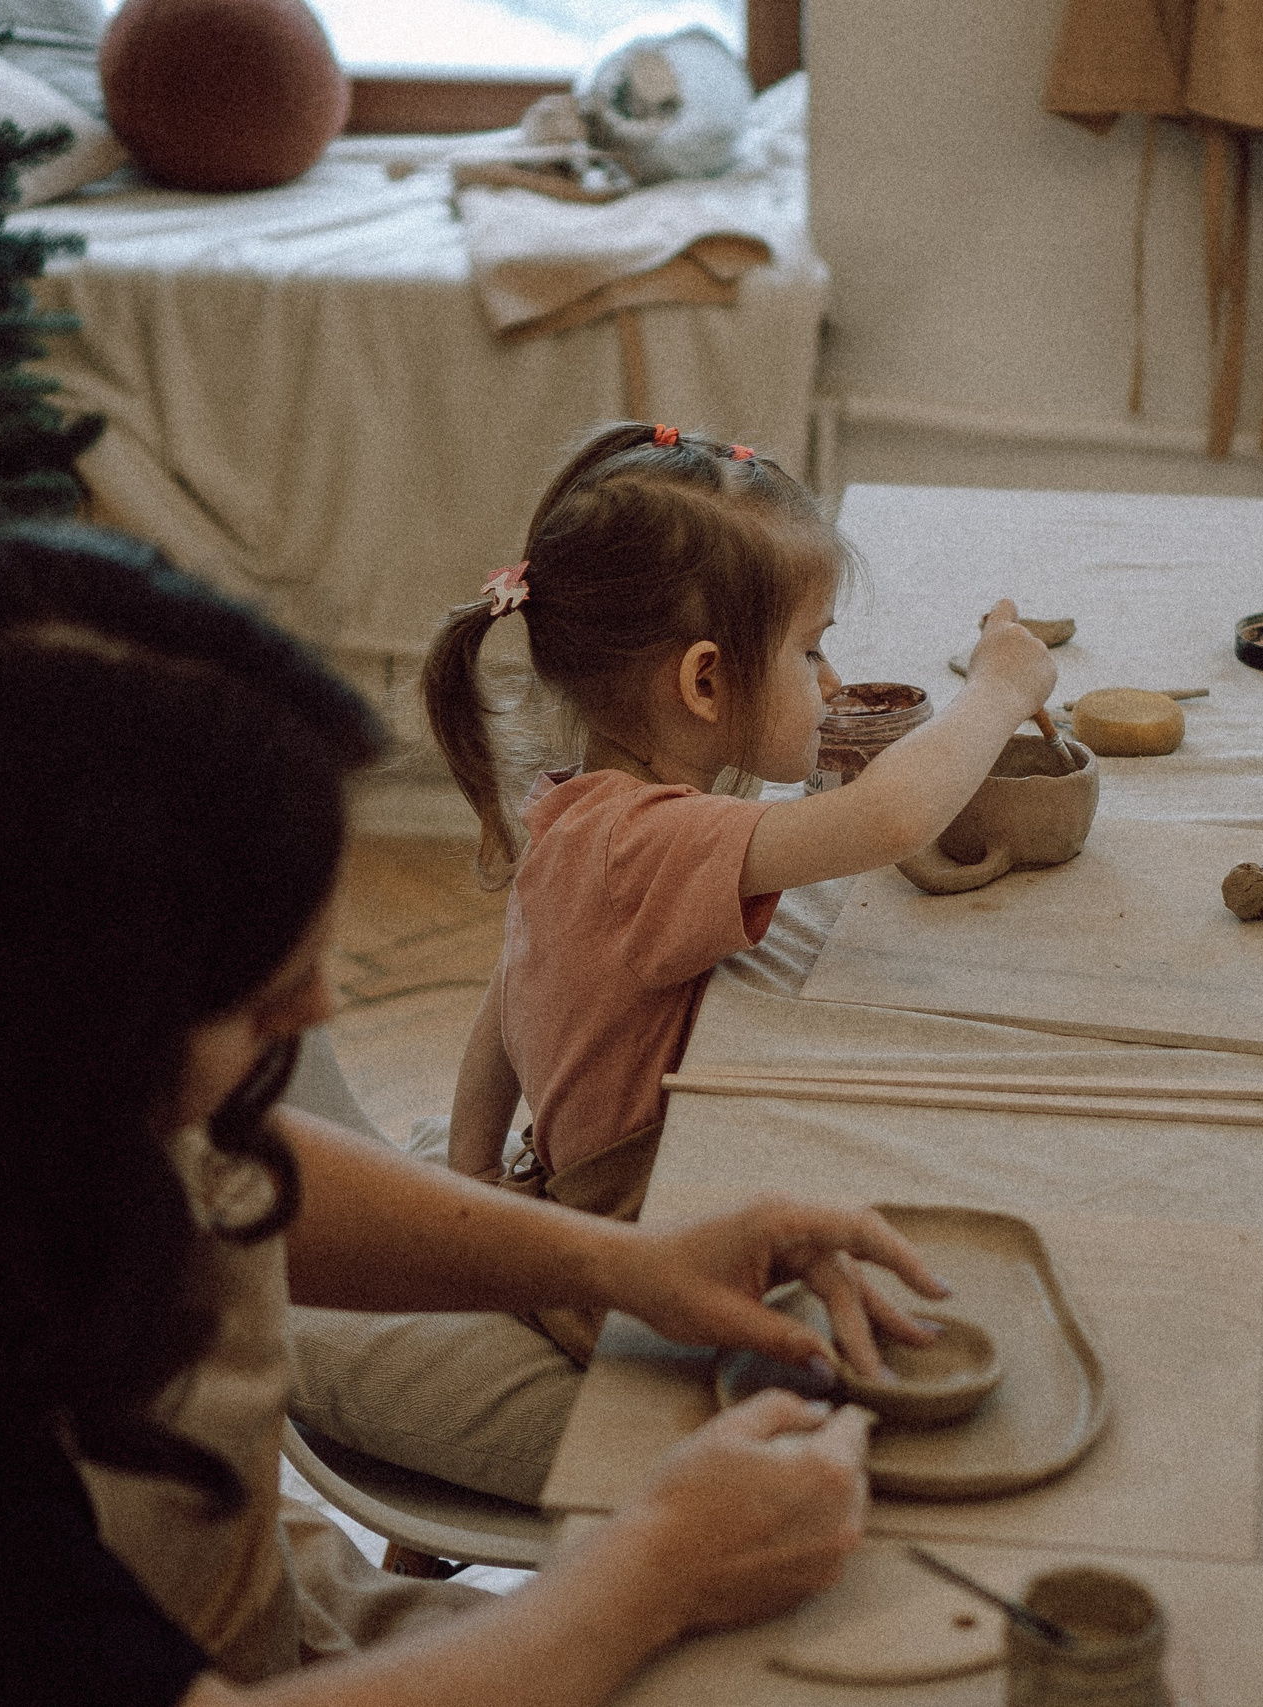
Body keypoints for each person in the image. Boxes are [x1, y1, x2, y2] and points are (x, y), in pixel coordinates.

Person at [0, 521, 951, 1707]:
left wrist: (613, 1261)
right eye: (256, 989)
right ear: (12, 1007)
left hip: (247, 1622)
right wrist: (649, 1570)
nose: (320, 1010)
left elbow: (217, 1160)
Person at [287, 423, 1056, 1497]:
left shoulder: (579, 815)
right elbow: (891, 817)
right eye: (809, 649)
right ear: (703, 683)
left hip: (570, 1196)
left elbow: (506, 1003)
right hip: (635, 1243)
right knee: (919, 1338)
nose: (829, 679)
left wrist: (479, 1185)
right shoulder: (651, 844)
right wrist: (999, 691)